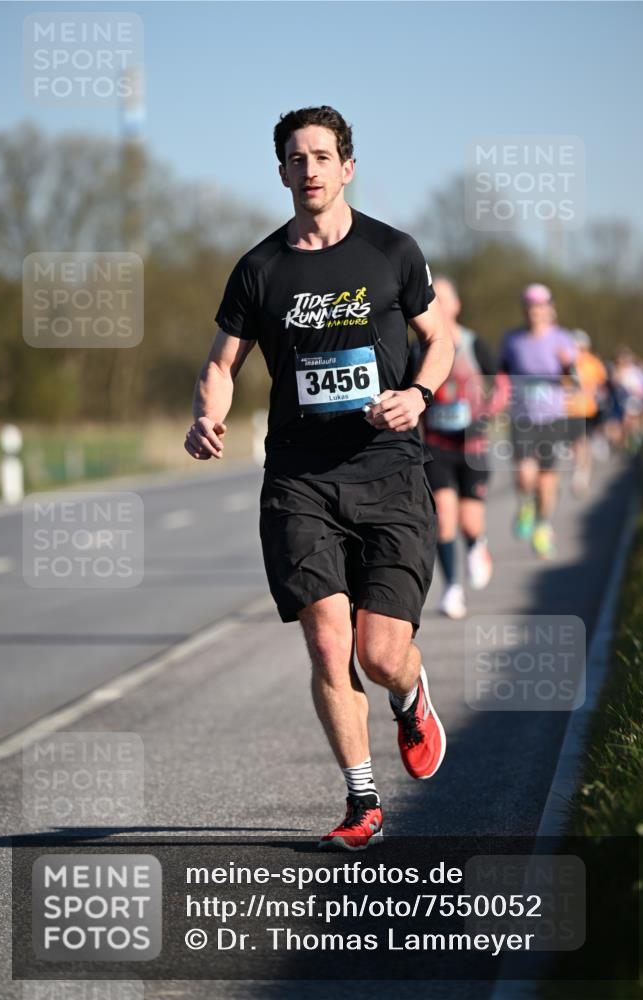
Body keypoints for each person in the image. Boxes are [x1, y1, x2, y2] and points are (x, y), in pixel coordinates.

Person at [184, 106, 455, 851]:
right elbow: (221, 363)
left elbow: (439, 339)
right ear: (281, 172)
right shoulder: (260, 269)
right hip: (300, 482)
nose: (309, 169)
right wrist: (207, 416)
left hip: (389, 473)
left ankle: (408, 694)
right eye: (296, 158)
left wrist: (419, 394)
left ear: (347, 168)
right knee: (330, 646)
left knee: (380, 654)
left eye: (323, 156)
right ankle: (362, 800)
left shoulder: (392, 251)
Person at [415, 276, 509, 619]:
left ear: (457, 305)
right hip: (436, 445)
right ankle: (452, 589)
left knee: (470, 523)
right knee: (444, 520)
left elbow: (501, 385)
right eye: (432, 298)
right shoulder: (417, 348)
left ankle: (476, 544)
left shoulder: (473, 343)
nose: (438, 305)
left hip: (472, 445)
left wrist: (486, 415)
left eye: (444, 299)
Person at [499, 283, 577, 560]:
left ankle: (543, 526)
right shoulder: (512, 340)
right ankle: (526, 504)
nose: (536, 311)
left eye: (541, 306)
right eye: (531, 306)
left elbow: (575, 381)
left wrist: (567, 366)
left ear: (549, 309)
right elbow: (501, 374)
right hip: (522, 417)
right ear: (525, 309)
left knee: (547, 480)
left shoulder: (562, 339)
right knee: (525, 475)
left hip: (553, 418)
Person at [565, 329, 608, 496]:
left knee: (582, 442)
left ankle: (581, 476)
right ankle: (580, 472)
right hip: (569, 409)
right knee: (576, 444)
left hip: (587, 409)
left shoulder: (593, 362)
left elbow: (601, 382)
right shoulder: (567, 362)